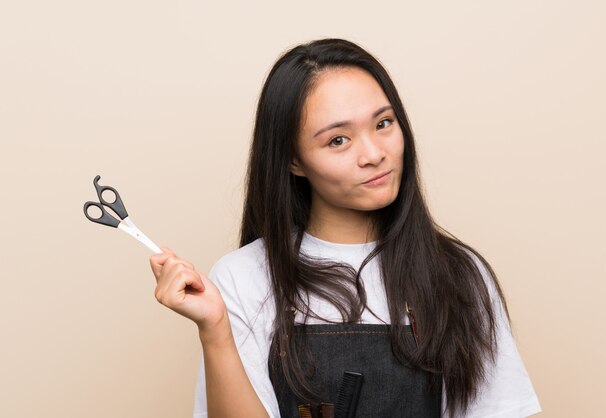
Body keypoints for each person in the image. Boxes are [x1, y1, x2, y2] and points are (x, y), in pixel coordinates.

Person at [149, 38, 542, 418]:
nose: (373, 154)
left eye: (384, 123)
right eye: (338, 140)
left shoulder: (458, 274)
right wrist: (214, 330)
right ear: (293, 161)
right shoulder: (244, 276)